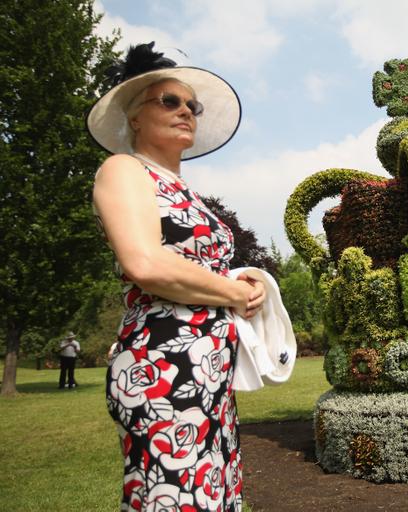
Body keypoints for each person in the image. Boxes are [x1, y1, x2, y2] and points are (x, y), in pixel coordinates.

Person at [87, 42, 265, 511]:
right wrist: (232, 292)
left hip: (209, 371)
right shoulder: (124, 169)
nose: (186, 110)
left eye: (193, 105)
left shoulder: (184, 191)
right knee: (176, 500)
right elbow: (144, 264)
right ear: (135, 117)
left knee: (214, 497)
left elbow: (200, 267)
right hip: (162, 366)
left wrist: (251, 283)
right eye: (169, 100)